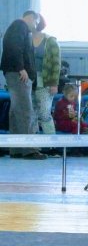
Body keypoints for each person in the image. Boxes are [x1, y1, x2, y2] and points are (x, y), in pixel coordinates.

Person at [0, 10, 46, 159]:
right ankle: (28, 149)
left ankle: (17, 148)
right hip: (18, 74)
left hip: (14, 73)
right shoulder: (20, 26)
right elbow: (14, 47)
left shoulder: (17, 27)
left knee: (16, 111)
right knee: (25, 110)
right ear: (31, 18)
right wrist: (21, 68)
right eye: (36, 22)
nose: (36, 25)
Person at [31, 14, 61, 135]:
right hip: (29, 81)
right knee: (32, 114)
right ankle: (33, 145)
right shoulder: (26, 39)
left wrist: (54, 83)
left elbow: (56, 63)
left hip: (45, 81)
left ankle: (51, 144)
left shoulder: (50, 41)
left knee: (44, 113)